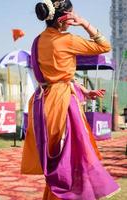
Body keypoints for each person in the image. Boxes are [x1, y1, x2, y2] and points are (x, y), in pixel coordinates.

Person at [21, 0, 120, 199]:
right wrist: (84, 23)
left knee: (55, 159)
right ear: (64, 18)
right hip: (62, 104)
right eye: (73, 14)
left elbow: (55, 77)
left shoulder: (38, 41)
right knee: (69, 159)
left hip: (42, 105)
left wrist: (82, 88)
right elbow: (105, 45)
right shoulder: (67, 40)